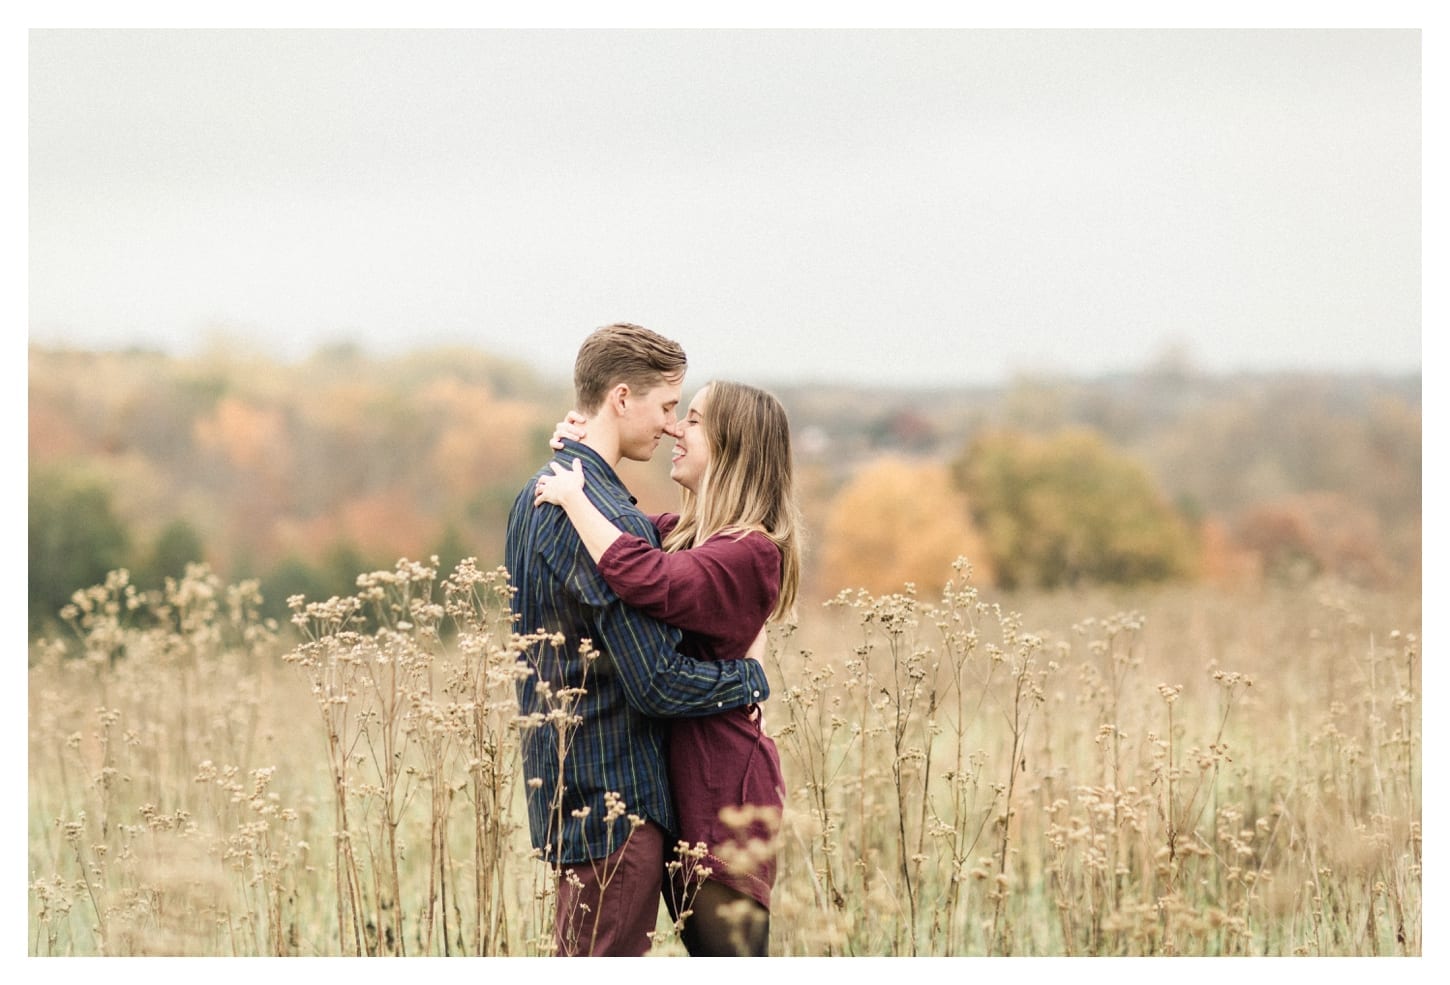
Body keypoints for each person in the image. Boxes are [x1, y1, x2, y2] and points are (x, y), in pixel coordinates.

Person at [505, 323, 772, 958]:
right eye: (667, 406)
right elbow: (656, 682)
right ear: (622, 398)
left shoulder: (540, 493)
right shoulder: (601, 515)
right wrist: (750, 677)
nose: (672, 425)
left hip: (567, 788)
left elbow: (669, 548)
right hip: (616, 804)